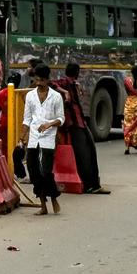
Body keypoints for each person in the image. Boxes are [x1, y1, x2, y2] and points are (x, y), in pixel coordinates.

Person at [52, 63, 109, 193]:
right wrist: (65, 91)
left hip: (80, 123)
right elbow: (51, 84)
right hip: (74, 124)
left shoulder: (73, 84)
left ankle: (94, 184)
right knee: (84, 155)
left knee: (90, 151)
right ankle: (90, 185)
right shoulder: (65, 83)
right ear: (77, 72)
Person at [20, 64, 64, 215]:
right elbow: (26, 120)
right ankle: (43, 204)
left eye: (41, 80)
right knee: (33, 172)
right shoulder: (30, 96)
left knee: (46, 171)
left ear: (47, 80)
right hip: (33, 138)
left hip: (48, 138)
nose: (38, 83)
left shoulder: (56, 97)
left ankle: (53, 198)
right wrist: (21, 137)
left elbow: (61, 119)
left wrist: (49, 124)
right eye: (36, 80)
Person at [0, 71, 28, 182]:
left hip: (5, 123)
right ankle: (12, 170)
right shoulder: (20, 94)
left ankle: (9, 170)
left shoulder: (1, 93)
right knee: (17, 147)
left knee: (7, 148)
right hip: (16, 123)